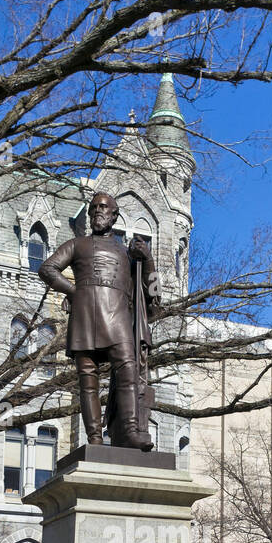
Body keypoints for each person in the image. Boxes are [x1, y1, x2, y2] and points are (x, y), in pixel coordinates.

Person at [38, 191, 159, 449]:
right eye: (93, 208)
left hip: (118, 318)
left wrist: (148, 260)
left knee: (129, 370)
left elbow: (154, 295)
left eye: (103, 208)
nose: (97, 212)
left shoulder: (128, 253)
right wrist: (75, 292)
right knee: (88, 380)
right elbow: (47, 268)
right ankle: (94, 438)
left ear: (114, 216)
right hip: (85, 318)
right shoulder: (77, 244)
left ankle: (129, 430)